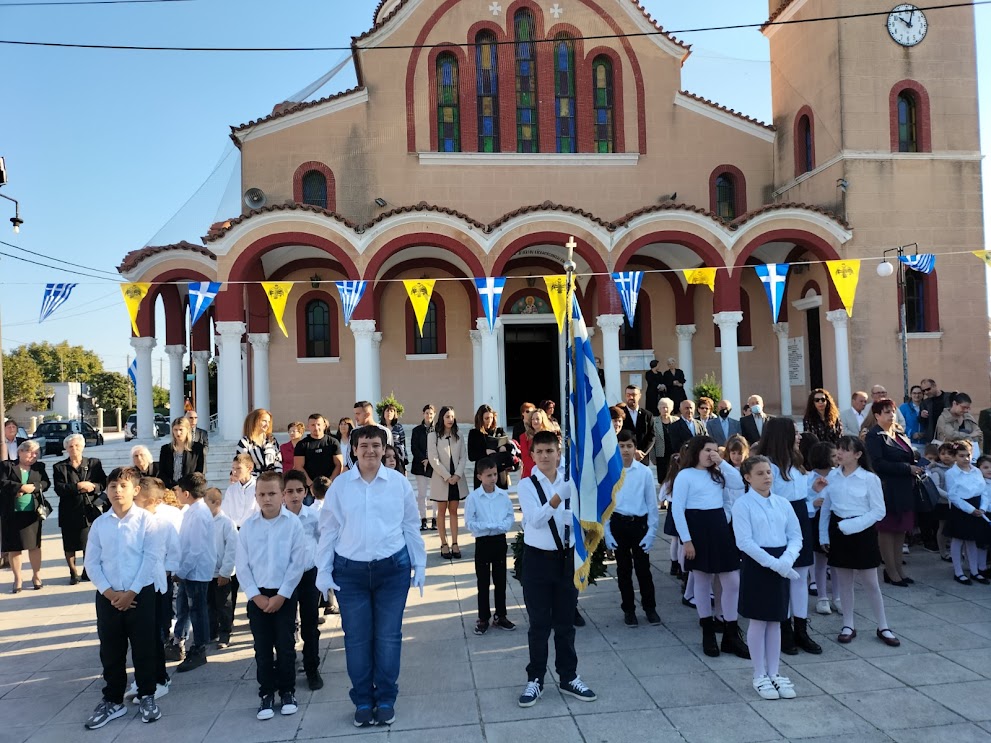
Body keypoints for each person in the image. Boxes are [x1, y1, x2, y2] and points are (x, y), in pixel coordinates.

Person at [315, 426, 426, 728]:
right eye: (363, 445)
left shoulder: (398, 484)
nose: (370, 451)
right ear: (353, 449)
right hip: (351, 574)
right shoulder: (340, 487)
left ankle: (387, 698)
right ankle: (363, 699)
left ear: (384, 448)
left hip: (393, 570)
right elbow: (329, 529)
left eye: (376, 445)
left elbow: (410, 525)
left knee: (388, 638)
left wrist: (420, 564)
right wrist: (323, 569)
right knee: (358, 640)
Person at [516, 430, 597, 708]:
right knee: (539, 625)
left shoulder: (570, 479)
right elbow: (535, 521)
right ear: (532, 455)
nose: (544, 456)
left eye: (549, 451)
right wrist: (557, 499)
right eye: (538, 452)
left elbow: (585, 513)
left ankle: (568, 676)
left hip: (565, 559)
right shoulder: (527, 485)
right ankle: (535, 679)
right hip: (538, 560)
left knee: (565, 623)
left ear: (558, 453)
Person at [82, 467, 165, 730]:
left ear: (136, 490)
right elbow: (92, 563)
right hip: (109, 598)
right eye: (113, 486)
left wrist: (131, 592)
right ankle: (113, 700)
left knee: (144, 648)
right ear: (106, 490)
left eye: (124, 486)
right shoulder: (100, 524)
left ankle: (147, 695)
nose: (118, 491)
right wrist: (110, 593)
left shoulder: (146, 521)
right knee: (111, 650)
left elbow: (151, 557)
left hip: (140, 595)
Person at [816, 436, 899, 647]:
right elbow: (826, 507)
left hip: (862, 531)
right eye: (838, 449)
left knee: (871, 582)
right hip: (838, 530)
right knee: (844, 581)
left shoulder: (869, 479)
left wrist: (854, 526)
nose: (840, 453)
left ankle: (883, 626)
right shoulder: (833, 476)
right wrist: (824, 535)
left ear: (858, 454)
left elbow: (878, 511)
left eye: (845, 449)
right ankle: (848, 624)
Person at [236, 471, 306, 721]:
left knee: (286, 646)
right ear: (255, 496)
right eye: (262, 494)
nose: (267, 499)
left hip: (283, 596)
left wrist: (281, 595)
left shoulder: (293, 524)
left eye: (272, 493)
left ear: (283, 495)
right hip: (258, 597)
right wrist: (256, 596)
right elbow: (242, 566)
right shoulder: (248, 527)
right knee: (262, 648)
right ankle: (266, 693)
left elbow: (297, 563)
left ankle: (287, 690)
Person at [672, 436, 749, 659]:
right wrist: (687, 540)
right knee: (703, 580)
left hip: (719, 527)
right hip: (697, 528)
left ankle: (731, 633)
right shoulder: (685, 476)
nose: (711, 454)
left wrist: (722, 462)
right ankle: (707, 631)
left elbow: (736, 484)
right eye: (707, 450)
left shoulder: (719, 473)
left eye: (715, 450)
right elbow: (677, 509)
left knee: (732, 580)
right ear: (697, 451)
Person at [732, 455, 802, 701]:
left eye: (769, 472)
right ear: (748, 478)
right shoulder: (743, 505)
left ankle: (775, 672)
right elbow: (745, 541)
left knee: (776, 620)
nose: (767, 477)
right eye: (760, 473)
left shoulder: (783, 503)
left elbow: (795, 535)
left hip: (782, 561)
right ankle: (759, 674)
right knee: (759, 621)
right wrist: (774, 564)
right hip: (758, 564)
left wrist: (787, 560)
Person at [754, 418, 822, 655]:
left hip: (800, 519)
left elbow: (801, 498)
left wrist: (814, 492)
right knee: (782, 576)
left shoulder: (797, 462)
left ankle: (801, 629)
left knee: (801, 576)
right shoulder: (768, 466)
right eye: (795, 432)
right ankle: (784, 630)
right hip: (779, 522)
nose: (800, 436)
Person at [604, 429, 660, 626]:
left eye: (629, 446)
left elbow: (652, 504)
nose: (625, 450)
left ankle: (650, 607)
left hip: (639, 524)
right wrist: (607, 532)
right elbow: (607, 505)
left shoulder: (643, 472)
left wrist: (652, 532)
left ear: (635, 448)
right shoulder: (611, 473)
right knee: (623, 570)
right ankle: (628, 609)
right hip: (619, 523)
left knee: (644, 569)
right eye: (621, 446)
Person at [863, 398, 922, 586]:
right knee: (887, 529)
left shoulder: (898, 433)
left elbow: (909, 455)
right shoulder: (874, 435)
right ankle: (890, 570)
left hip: (905, 487)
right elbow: (877, 463)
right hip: (887, 488)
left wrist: (915, 465)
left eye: (893, 411)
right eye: (887, 411)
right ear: (877, 415)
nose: (891, 415)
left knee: (901, 528)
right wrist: (906, 468)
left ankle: (899, 569)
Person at [130, 476, 178, 705]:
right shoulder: (130, 519)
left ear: (150, 500)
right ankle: (143, 677)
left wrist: (166, 572)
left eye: (137, 496)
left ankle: (160, 679)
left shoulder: (163, 522)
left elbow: (174, 553)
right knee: (139, 636)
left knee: (156, 634)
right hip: (133, 586)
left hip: (157, 585)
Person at [282, 469, 324, 690]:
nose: (295, 495)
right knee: (287, 625)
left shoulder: (313, 516)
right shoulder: (278, 518)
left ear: (306, 491)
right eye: (289, 491)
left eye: (299, 490)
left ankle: (312, 668)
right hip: (285, 577)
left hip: (309, 574)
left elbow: (323, 540)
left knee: (310, 624)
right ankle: (287, 668)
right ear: (283, 494)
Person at [464, 457, 516, 635]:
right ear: (479, 477)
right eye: (488, 475)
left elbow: (510, 517)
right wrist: (489, 526)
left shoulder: (503, 495)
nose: (493, 478)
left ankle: (500, 615)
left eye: (494, 474)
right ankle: (483, 617)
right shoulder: (474, 498)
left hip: (499, 540)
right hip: (483, 542)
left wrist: (501, 526)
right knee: (483, 581)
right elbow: (470, 523)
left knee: (501, 580)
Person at [174, 472, 216, 673]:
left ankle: (199, 648)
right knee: (184, 608)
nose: (176, 494)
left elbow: (196, 548)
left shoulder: (199, 513)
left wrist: (182, 571)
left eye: (178, 490)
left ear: (186, 493)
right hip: (189, 571)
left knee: (197, 611)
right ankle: (178, 641)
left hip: (196, 571)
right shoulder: (191, 510)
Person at [54, 433, 108, 585]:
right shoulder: (59, 467)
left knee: (89, 543)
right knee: (69, 544)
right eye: (71, 446)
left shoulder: (94, 463)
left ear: (83, 447)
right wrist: (78, 486)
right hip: (69, 510)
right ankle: (73, 572)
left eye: (77, 445)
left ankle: (88, 570)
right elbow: (59, 488)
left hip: (89, 509)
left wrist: (92, 487)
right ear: (66, 449)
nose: (74, 449)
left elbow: (103, 483)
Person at [1, 440, 50, 592]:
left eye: (36, 453)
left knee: (34, 546)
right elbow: (2, 482)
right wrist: (19, 487)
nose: (33, 456)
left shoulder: (39, 467)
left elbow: (45, 483)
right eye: (29, 452)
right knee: (14, 548)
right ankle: (18, 578)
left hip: (33, 513)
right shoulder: (7, 466)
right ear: (20, 452)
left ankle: (36, 575)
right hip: (12, 512)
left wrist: (33, 488)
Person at [945, 441, 989, 584]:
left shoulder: (976, 471)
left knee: (972, 540)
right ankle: (958, 572)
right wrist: (970, 510)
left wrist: (982, 507)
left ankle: (975, 571)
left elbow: (983, 491)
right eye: (961, 455)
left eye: (968, 455)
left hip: (977, 507)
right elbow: (953, 496)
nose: (966, 459)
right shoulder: (951, 473)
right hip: (962, 509)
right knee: (958, 540)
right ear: (955, 457)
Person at [428, 406, 468, 559]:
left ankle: (455, 543)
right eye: (447, 417)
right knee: (442, 511)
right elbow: (433, 459)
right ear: (441, 419)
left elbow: (463, 457)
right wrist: (447, 476)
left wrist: (457, 475)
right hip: (441, 479)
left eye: (452, 416)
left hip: (457, 480)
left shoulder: (458, 434)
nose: (450, 419)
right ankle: (444, 543)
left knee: (454, 511)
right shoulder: (433, 436)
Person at [806, 442, 841, 616]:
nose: (837, 459)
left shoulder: (838, 475)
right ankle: (822, 597)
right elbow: (805, 499)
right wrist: (813, 502)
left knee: (836, 561)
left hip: (834, 520)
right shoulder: (808, 478)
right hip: (817, 520)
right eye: (833, 456)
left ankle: (838, 597)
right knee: (820, 561)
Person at [203, 487, 236, 648]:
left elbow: (232, 550)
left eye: (206, 502)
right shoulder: (203, 522)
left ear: (217, 503)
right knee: (209, 604)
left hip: (221, 572)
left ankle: (225, 634)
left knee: (223, 605)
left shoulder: (227, 523)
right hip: (206, 573)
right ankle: (212, 632)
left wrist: (225, 572)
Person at [468, 404, 513, 491]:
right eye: (486, 418)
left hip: (499, 471)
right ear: (480, 419)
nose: (489, 421)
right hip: (482, 471)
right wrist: (485, 452)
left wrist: (504, 448)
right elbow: (471, 455)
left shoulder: (499, 431)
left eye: (491, 418)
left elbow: (509, 447)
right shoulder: (474, 433)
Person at [294, 414, 344, 487]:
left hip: (331, 486)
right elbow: (298, 466)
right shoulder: (301, 445)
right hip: (309, 488)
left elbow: (339, 465)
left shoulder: (333, 442)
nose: (316, 428)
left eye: (318, 424)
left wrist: (329, 483)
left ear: (324, 426)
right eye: (313, 425)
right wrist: (311, 485)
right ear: (308, 427)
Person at [158, 417, 205, 489]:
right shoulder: (165, 449)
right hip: (170, 489)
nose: (178, 433)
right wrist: (173, 486)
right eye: (175, 430)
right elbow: (162, 472)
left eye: (181, 430)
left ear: (187, 430)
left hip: (189, 489)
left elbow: (199, 471)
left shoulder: (197, 448)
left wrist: (183, 486)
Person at [410, 405, 436, 531]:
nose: (429, 415)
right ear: (423, 414)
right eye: (427, 413)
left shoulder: (438, 430)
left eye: (431, 413)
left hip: (435, 466)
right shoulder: (416, 430)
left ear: (434, 414)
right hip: (420, 466)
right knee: (422, 494)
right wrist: (423, 460)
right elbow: (414, 447)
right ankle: (423, 519)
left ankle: (435, 519)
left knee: (435, 493)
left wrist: (431, 461)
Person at [236, 409, 283, 476]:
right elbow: (243, 466)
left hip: (273, 480)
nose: (267, 424)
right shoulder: (244, 442)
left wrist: (277, 478)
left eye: (269, 422)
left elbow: (278, 462)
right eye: (264, 421)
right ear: (254, 421)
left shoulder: (272, 440)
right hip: (254, 482)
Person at [519, 408, 559, 478]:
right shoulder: (524, 437)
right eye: (533, 419)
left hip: (548, 473)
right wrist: (538, 471)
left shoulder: (550, 436)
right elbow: (525, 458)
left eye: (537, 419)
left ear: (543, 420)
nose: (535, 421)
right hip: (530, 474)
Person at [620, 385, 655, 462]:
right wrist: (632, 451)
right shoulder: (620, 414)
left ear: (639, 396)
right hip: (624, 457)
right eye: (628, 395)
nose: (631, 397)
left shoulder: (647, 415)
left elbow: (651, 436)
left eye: (634, 395)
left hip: (642, 458)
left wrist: (642, 453)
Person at [920, 378, 955, 443]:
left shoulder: (950, 397)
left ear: (934, 386)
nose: (926, 392)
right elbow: (923, 423)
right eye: (923, 391)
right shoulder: (924, 403)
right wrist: (922, 416)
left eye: (928, 389)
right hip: (933, 438)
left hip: (950, 436)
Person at [653, 397, 676, 483]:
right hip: (661, 455)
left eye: (667, 407)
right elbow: (652, 440)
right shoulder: (654, 422)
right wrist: (653, 457)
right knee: (662, 478)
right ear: (659, 409)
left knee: (674, 476)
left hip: (674, 454)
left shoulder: (676, 421)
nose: (665, 409)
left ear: (671, 408)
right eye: (663, 407)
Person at [380, 404, 407, 469]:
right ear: (383, 413)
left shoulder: (398, 427)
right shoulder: (379, 427)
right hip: (383, 456)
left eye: (391, 411)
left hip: (397, 456)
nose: (389, 413)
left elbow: (403, 443)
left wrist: (405, 460)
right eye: (387, 411)